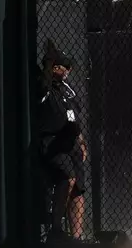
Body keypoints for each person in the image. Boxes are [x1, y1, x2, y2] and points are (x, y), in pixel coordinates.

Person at [38, 40, 87, 242]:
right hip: (53, 142)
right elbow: (45, 80)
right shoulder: (44, 84)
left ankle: (76, 237)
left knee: (78, 188)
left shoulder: (68, 89)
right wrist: (49, 62)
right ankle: (56, 229)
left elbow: (75, 116)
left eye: (68, 66)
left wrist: (82, 141)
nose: (66, 69)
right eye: (61, 65)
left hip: (72, 142)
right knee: (68, 177)